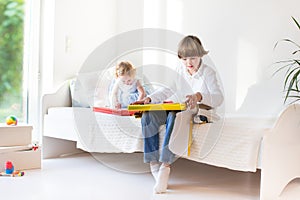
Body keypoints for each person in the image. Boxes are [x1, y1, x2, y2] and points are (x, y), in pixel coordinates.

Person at [135, 35, 224, 193]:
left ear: (200, 56)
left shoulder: (208, 73)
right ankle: (153, 163)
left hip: (199, 109)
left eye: (193, 58)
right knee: (149, 115)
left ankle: (165, 166)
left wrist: (199, 96)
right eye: (184, 59)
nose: (188, 63)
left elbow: (218, 98)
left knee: (174, 117)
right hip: (180, 106)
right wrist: (149, 99)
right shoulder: (180, 70)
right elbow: (168, 89)